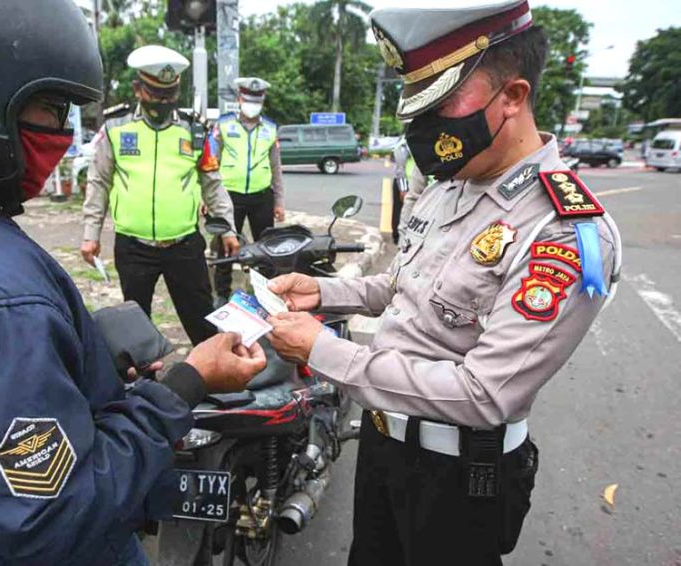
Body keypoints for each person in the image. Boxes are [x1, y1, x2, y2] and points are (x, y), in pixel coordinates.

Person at [0, 1, 266, 564]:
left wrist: (73, 372)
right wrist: (184, 385)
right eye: (50, 107)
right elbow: (58, 514)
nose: (61, 132)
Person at [265, 1, 622, 564]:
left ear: (513, 97)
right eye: (418, 106)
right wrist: (325, 293)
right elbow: (404, 286)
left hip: (460, 475)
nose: (425, 128)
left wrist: (326, 352)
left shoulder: (563, 230)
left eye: (445, 102)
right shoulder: (452, 181)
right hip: (382, 445)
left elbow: (485, 394)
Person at [81, 45, 238, 345]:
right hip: (133, 247)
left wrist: (228, 227)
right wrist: (91, 234)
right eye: (156, 94)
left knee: (202, 322)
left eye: (170, 95)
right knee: (135, 323)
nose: (163, 102)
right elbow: (98, 181)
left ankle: (215, 380)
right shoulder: (116, 128)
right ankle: (141, 383)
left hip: (184, 245)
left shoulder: (194, 132)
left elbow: (212, 184)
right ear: (138, 89)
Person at [212, 77, 286, 305]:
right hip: (228, 196)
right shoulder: (223, 125)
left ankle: (265, 293)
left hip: (261, 196)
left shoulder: (270, 129)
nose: (252, 105)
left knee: (265, 247)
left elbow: (276, 167)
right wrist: (208, 197)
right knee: (225, 245)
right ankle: (221, 294)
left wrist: (279, 201)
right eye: (248, 100)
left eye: (257, 101)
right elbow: (211, 162)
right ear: (239, 99)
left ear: (262, 102)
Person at [391, 136, 428, 245]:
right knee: (402, 210)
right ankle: (398, 237)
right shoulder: (404, 145)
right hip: (406, 182)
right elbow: (400, 168)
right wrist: (403, 188)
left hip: (419, 183)